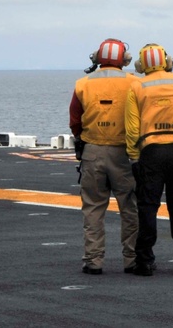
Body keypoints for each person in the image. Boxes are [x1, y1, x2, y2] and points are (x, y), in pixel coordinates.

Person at [125, 43, 173, 276]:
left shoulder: (136, 85)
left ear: (141, 65)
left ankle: (145, 261)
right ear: (167, 61)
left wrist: (135, 158)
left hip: (151, 153)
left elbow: (132, 128)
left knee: (147, 207)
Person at [68, 38, 139, 275]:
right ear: (124, 60)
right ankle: (131, 259)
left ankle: (93, 261)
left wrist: (83, 140)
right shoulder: (134, 82)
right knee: (129, 208)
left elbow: (75, 120)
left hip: (93, 152)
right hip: (125, 153)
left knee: (93, 209)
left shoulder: (82, 83)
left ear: (96, 58)